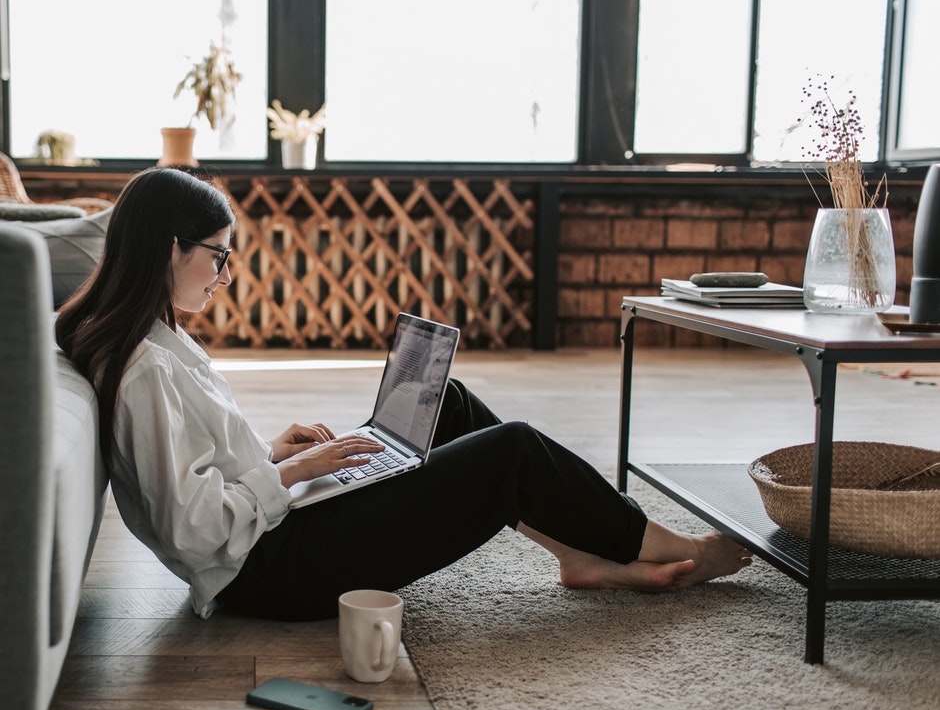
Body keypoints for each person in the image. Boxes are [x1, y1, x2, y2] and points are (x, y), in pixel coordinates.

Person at [56, 167, 752, 621]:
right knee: (512, 451)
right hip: (266, 572)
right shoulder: (146, 367)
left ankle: (577, 553)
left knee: (444, 401)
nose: (226, 274)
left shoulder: (157, 339)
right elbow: (193, 529)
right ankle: (663, 544)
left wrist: (273, 451)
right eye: (219, 255)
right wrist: (291, 474)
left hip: (273, 529)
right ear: (170, 248)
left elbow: (196, 471)